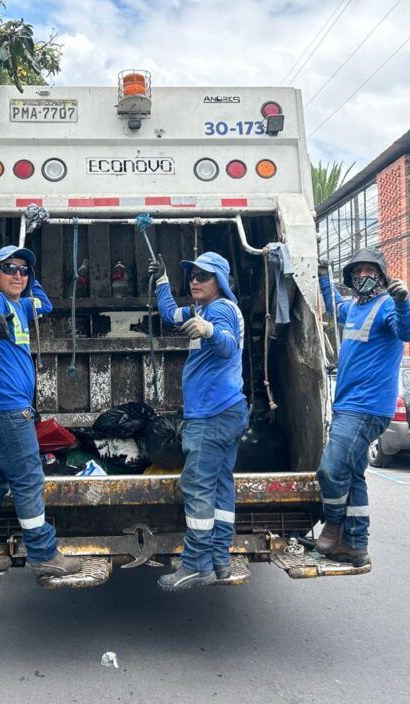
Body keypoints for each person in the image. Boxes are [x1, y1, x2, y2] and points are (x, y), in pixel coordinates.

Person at [0, 246, 83, 576]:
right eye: (10, 268)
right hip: (7, 413)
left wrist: (32, 279)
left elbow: (45, 304)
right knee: (28, 479)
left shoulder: (21, 305)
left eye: (24, 270)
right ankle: (43, 553)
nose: (18, 275)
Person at [150, 251, 249, 591]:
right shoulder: (200, 310)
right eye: (191, 275)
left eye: (203, 275)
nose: (194, 280)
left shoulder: (219, 310)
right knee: (220, 487)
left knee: (198, 486)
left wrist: (209, 331)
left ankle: (196, 565)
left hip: (212, 414)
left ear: (219, 280)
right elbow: (169, 314)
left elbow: (227, 345)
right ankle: (219, 559)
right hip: (225, 412)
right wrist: (162, 280)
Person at [317, 247, 410, 567]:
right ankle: (355, 545)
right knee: (353, 475)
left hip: (366, 407)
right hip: (349, 404)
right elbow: (334, 305)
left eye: (370, 271)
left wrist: (403, 302)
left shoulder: (387, 305)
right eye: (357, 271)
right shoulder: (353, 308)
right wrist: (322, 276)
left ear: (381, 277)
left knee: (331, 469)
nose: (363, 276)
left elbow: (409, 332)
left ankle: (333, 522)